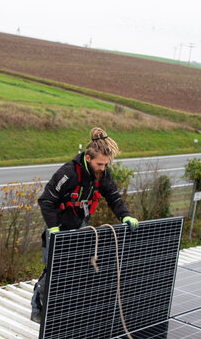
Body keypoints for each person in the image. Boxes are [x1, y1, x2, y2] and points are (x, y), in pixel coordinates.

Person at [30, 127, 139, 322]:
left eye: (106, 164)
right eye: (100, 164)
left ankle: (63, 307)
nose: (103, 168)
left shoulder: (102, 174)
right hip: (58, 226)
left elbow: (113, 196)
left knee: (75, 269)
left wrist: (125, 216)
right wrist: (53, 229)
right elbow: (46, 200)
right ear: (88, 158)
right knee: (53, 269)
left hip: (80, 226)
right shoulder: (68, 173)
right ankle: (37, 308)